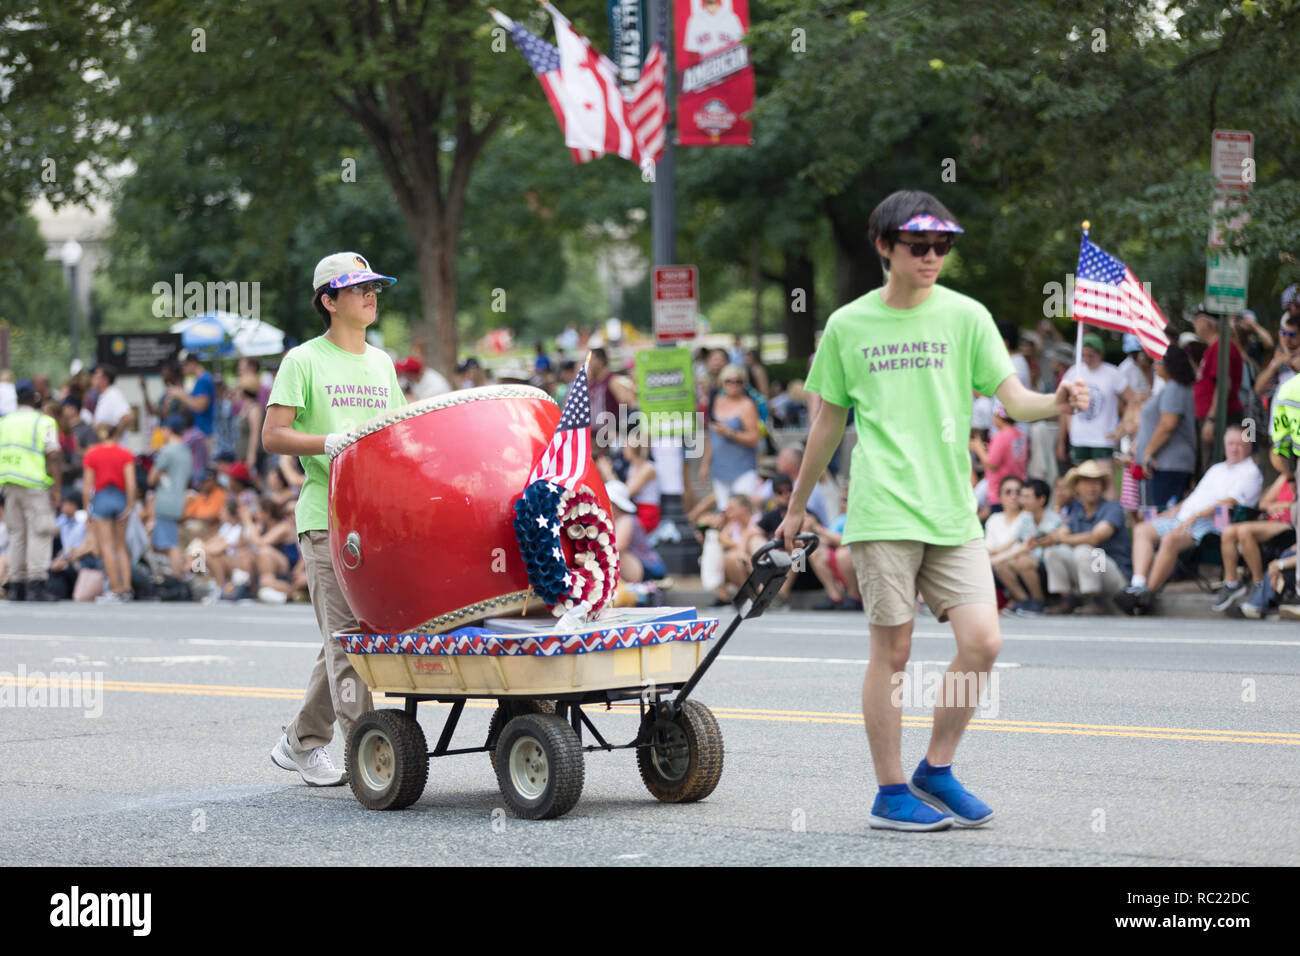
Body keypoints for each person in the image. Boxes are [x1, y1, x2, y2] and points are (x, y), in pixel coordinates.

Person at [774, 189, 1089, 832]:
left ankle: (935, 769)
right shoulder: (848, 326)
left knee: (984, 641)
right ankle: (890, 794)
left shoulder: (966, 316)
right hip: (883, 507)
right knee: (893, 654)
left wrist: (1056, 400)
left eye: (942, 245)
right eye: (918, 245)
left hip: (951, 510)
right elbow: (828, 426)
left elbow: (1013, 400)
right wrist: (797, 506)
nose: (932, 256)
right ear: (884, 246)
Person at [262, 251, 404, 787]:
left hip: (375, 520)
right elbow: (272, 435)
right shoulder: (303, 360)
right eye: (359, 288)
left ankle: (300, 741)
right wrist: (328, 441)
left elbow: (397, 432)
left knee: (352, 636)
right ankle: (370, 758)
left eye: (374, 288)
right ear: (329, 300)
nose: (371, 295)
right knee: (347, 637)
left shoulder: (382, 362)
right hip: (326, 517)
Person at [1115, 424, 1262, 615]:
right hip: (1186, 517)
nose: (1234, 448)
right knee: (1142, 529)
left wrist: (1195, 516)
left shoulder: (1250, 471)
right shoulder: (1217, 469)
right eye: (1230, 443)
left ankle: (1146, 593)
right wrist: (1172, 511)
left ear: (1249, 446)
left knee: (1170, 539)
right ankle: (1138, 583)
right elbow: (1195, 498)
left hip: (1211, 523)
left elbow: (1229, 502)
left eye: (1239, 444)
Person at [1039, 461, 1132, 615]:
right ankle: (1067, 599)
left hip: (1114, 574)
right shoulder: (1077, 510)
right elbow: (1061, 532)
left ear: (1102, 486)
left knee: (1085, 550)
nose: (1092, 487)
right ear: (1077, 487)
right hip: (1090, 570)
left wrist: (1059, 539)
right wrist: (1048, 539)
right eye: (1087, 482)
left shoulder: (1112, 508)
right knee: (1054, 552)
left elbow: (1095, 538)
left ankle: (1097, 601)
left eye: (1096, 482)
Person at [0, 379, 62, 601]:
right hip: (34, 484)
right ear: (35, 398)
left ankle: (17, 585)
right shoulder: (43, 422)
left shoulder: (4, 422)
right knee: (40, 531)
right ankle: (36, 584)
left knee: (17, 534)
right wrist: (57, 489)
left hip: (8, 484)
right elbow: (54, 455)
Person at [1056, 332, 1129, 497]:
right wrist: (1063, 438)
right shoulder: (1074, 372)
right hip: (1079, 437)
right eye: (1084, 355)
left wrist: (1122, 426)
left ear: (1100, 354)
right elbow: (1063, 406)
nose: (1087, 359)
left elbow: (1131, 400)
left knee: (1106, 483)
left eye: (1091, 355)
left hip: (1103, 438)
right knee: (1080, 484)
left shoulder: (1112, 373)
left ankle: (1111, 518)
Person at [1212, 472, 1295, 612]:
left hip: (1291, 524)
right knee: (1229, 532)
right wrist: (1272, 506)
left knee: (1245, 531)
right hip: (1273, 522)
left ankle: (1258, 582)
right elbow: (1264, 503)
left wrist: (1285, 505)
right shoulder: (1285, 477)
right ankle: (1232, 583)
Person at [1134, 344, 1197, 512]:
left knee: (1162, 515)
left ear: (1171, 364)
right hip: (1166, 464)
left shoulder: (1175, 388)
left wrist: (1148, 453)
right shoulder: (1173, 387)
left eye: (1158, 362)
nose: (1154, 366)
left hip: (1169, 465)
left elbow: (1168, 424)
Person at [82, 422, 137, 603]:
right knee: (121, 546)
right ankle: (127, 587)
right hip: (120, 497)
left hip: (102, 498)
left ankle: (115, 588)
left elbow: (87, 486)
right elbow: (131, 483)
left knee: (106, 547)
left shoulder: (92, 454)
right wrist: (130, 506)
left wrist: (87, 509)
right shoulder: (125, 453)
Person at [1191, 310, 1244, 472]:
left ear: (1207, 324)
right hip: (1212, 417)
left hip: (1222, 418)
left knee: (1215, 468)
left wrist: (1212, 419)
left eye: (1197, 321)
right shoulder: (1214, 348)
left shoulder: (1222, 347)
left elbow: (1224, 385)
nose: (1194, 325)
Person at [702, 364, 761, 504]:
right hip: (720, 469)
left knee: (741, 510)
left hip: (742, 469)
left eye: (738, 381)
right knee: (724, 511)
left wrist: (730, 433)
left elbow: (754, 438)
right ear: (722, 382)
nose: (733, 385)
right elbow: (711, 438)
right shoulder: (716, 402)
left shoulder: (747, 405)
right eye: (729, 381)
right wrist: (705, 464)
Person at [149, 414, 193, 578]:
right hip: (179, 500)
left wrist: (159, 477)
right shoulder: (187, 452)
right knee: (171, 540)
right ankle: (179, 574)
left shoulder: (167, 451)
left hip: (165, 501)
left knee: (170, 544)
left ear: (168, 430)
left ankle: (178, 577)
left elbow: (152, 478)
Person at [172, 352, 216, 439]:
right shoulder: (201, 379)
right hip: (201, 433)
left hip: (205, 434)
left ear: (192, 362)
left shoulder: (204, 379)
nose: (182, 369)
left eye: (184, 365)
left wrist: (181, 395)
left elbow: (200, 406)